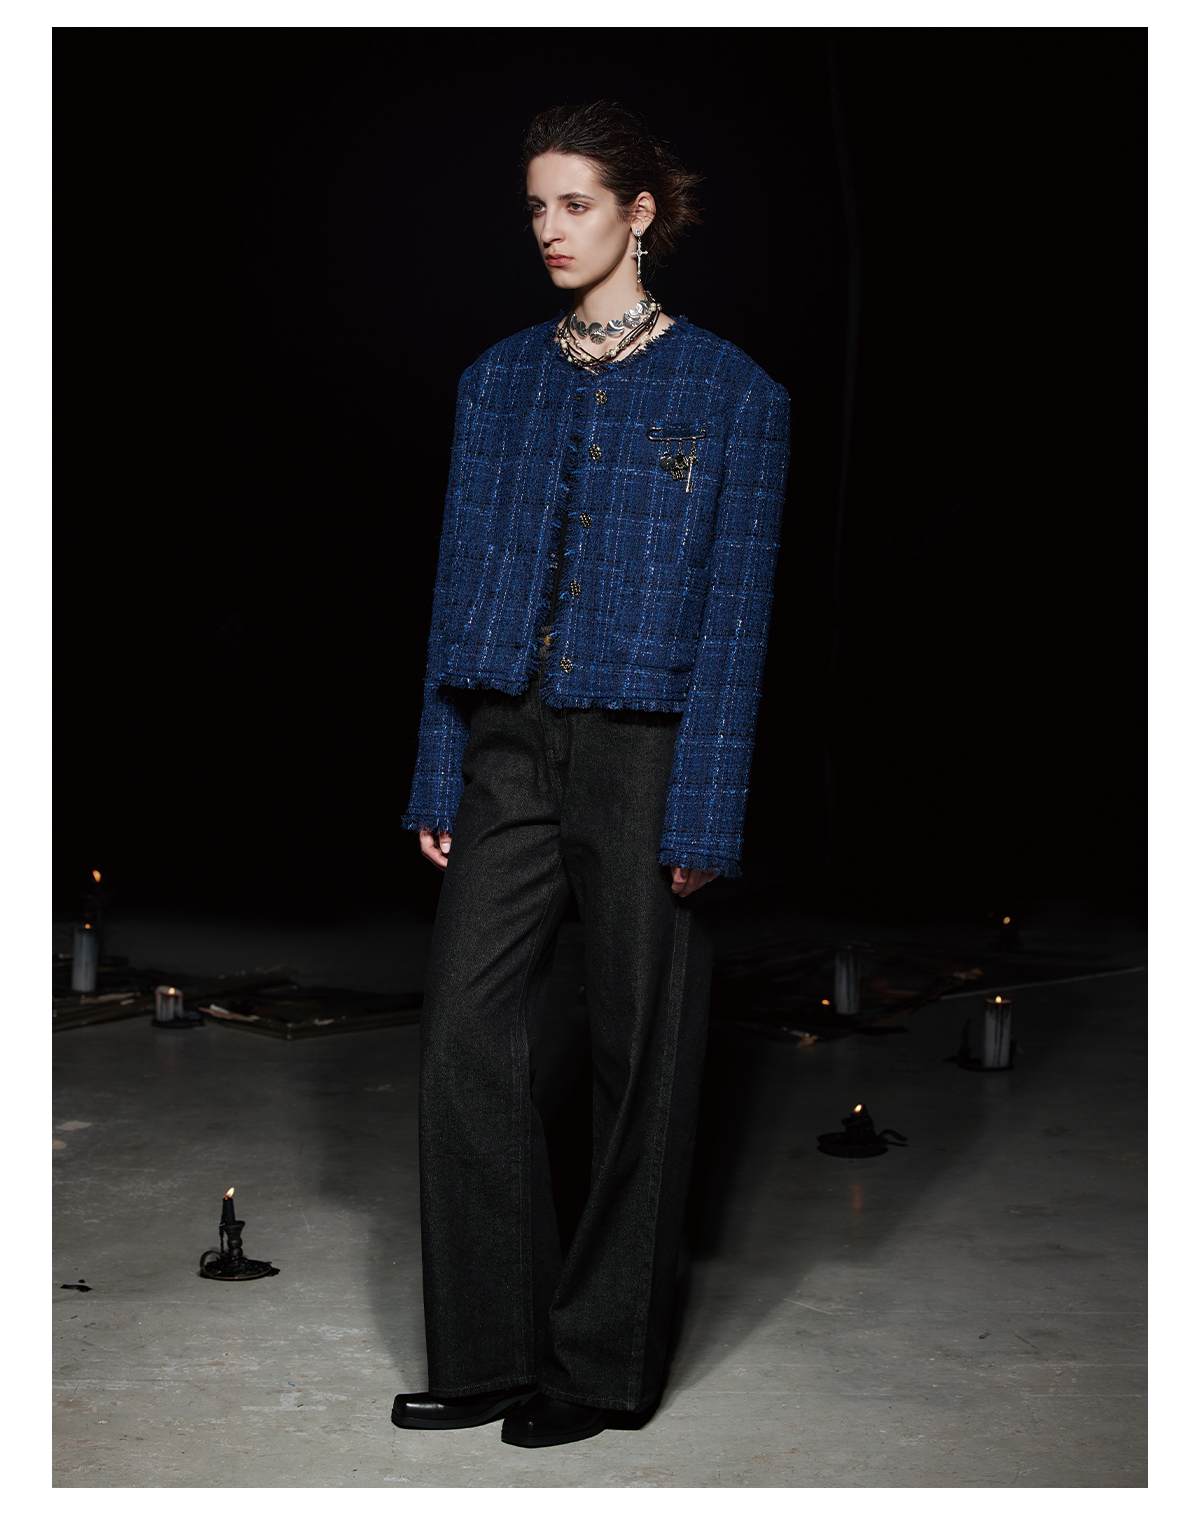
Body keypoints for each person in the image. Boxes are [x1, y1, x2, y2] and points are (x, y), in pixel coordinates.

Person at [391, 100, 790, 1449]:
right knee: (466, 1032)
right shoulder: (495, 380)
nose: (551, 231)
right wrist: (439, 768)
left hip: (648, 751)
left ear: (640, 212)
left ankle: (602, 1367)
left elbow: (737, 619)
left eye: (576, 204)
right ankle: (491, 1350)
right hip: (505, 738)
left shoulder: (734, 395)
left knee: (639, 1053)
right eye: (536, 207)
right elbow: (455, 584)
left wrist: (707, 810)